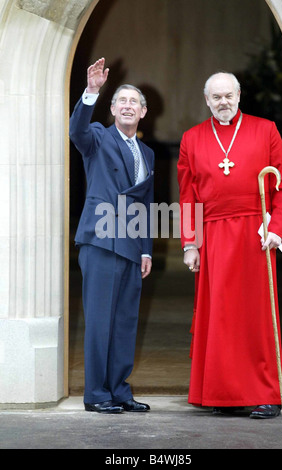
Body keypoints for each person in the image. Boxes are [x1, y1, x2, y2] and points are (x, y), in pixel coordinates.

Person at [177, 72, 282, 419]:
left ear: (239, 95)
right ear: (207, 100)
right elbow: (187, 198)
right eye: (216, 97)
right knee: (220, 316)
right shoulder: (191, 138)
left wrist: (278, 229)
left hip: (256, 235)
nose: (223, 102)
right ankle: (222, 393)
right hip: (213, 236)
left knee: (255, 316)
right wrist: (190, 244)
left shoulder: (265, 129)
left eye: (228, 95)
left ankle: (266, 395)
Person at [69, 58, 154, 414]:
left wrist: (146, 251)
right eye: (121, 101)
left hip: (131, 247)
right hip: (101, 240)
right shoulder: (98, 138)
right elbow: (77, 132)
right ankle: (97, 394)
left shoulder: (147, 153)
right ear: (112, 108)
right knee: (100, 321)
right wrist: (90, 92)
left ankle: (119, 389)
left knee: (124, 322)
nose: (127, 106)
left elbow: (146, 204)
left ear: (143, 112)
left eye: (134, 102)